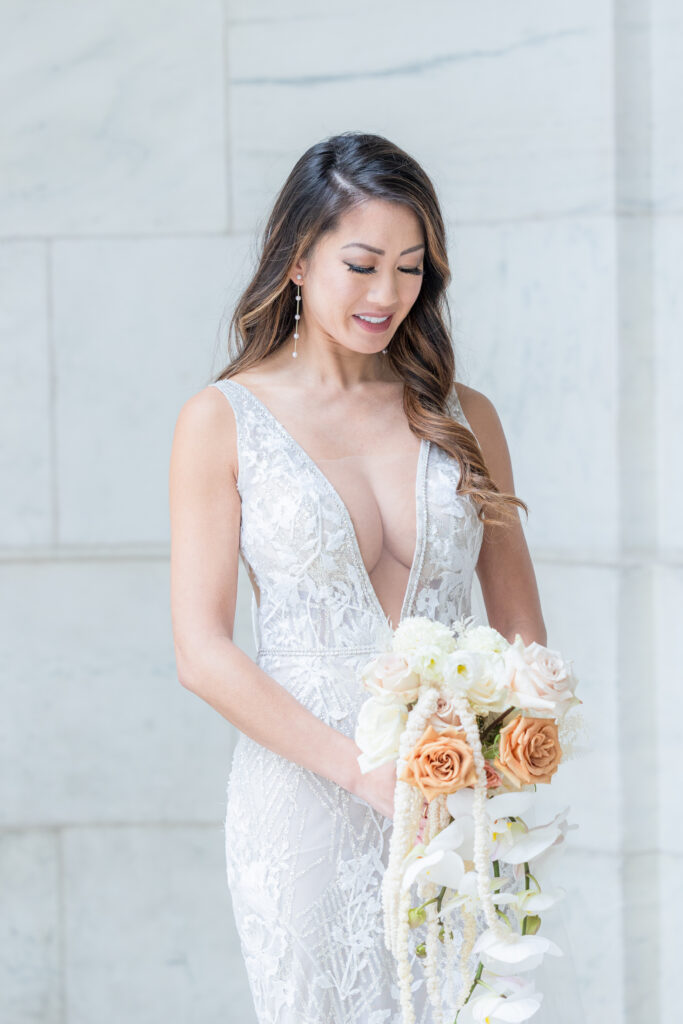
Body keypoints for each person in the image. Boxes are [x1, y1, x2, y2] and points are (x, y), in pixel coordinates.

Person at [169, 131, 578, 1023]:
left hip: (454, 803)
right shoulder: (222, 419)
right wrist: (361, 775)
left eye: (410, 267)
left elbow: (520, 633)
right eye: (360, 265)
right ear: (296, 261)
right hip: (305, 798)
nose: (387, 294)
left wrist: (497, 749)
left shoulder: (464, 416)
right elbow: (201, 653)